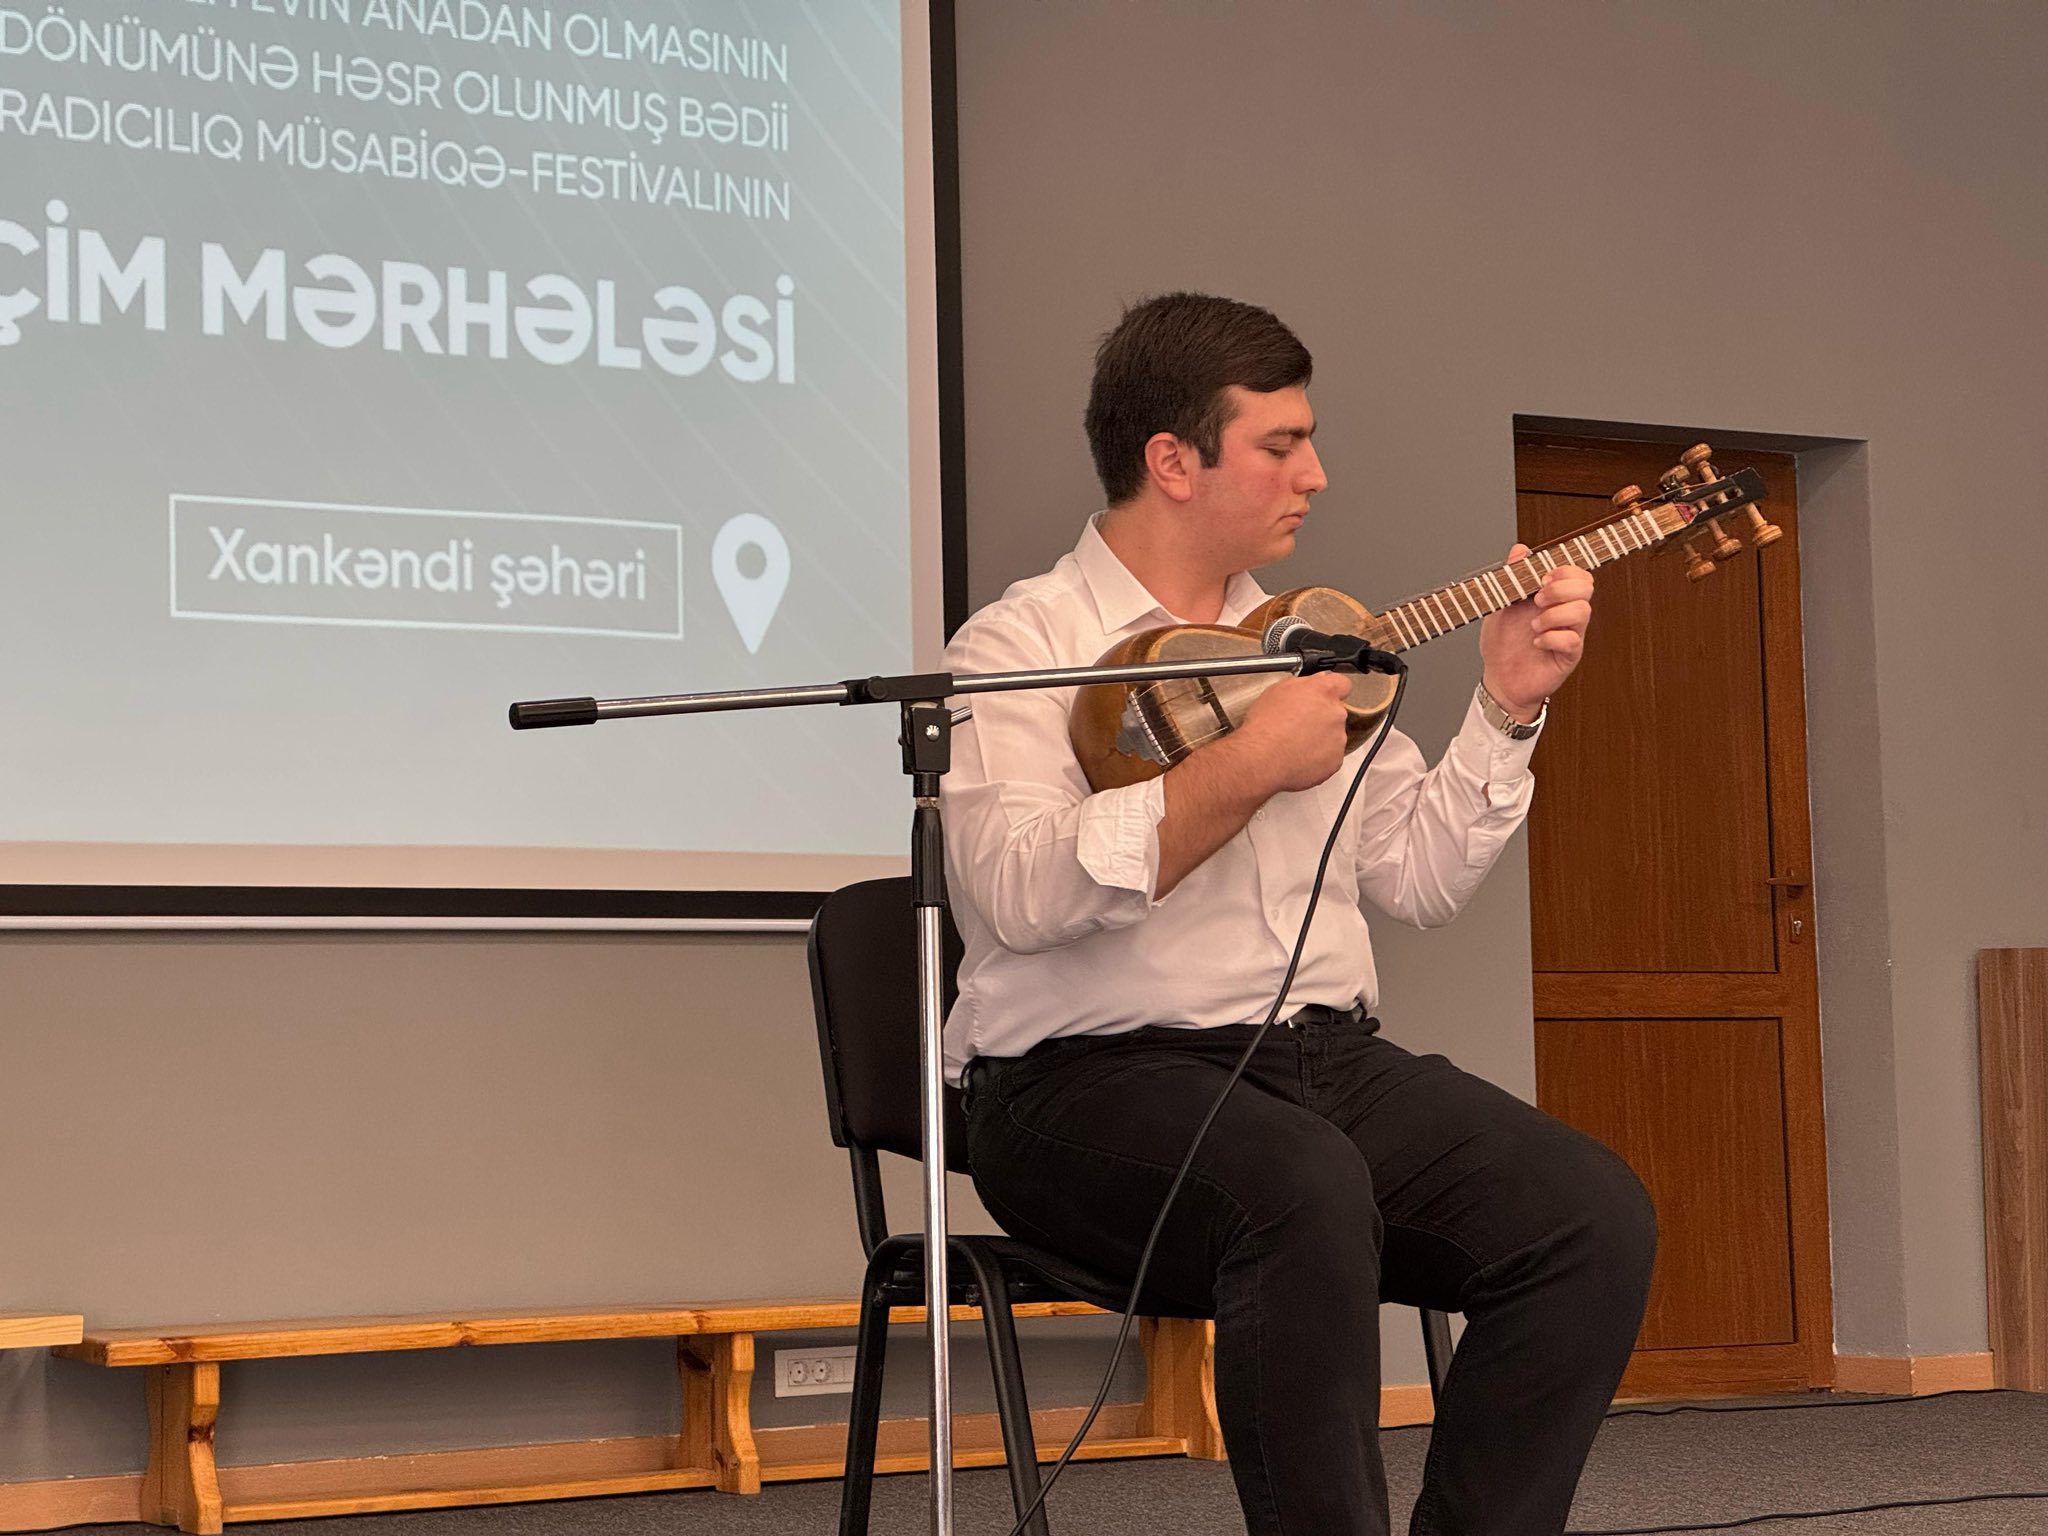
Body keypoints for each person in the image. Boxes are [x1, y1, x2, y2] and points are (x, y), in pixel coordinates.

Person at [939, 292, 1657, 1536]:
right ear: (1173, 459)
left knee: (1588, 1216)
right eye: (1278, 444)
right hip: (1081, 1087)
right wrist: (1244, 762)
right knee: (1302, 1187)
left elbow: (1417, 882)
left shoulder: (1311, 638)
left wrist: (1505, 705)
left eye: (1308, 440)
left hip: (1321, 1065)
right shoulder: (1019, 645)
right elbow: (1013, 895)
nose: (1314, 476)